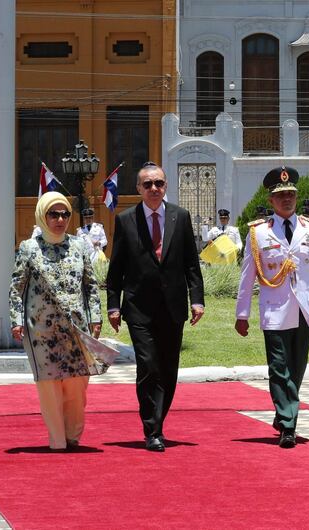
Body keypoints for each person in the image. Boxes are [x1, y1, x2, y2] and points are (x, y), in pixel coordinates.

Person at [235, 167, 309, 448]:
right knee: (279, 368)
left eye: (291, 195)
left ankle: (284, 414)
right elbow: (248, 276)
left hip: (303, 310)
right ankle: (288, 423)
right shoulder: (259, 234)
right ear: (271, 200)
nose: (287, 200)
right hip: (275, 311)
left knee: (297, 369)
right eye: (281, 196)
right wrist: (241, 314)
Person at [106, 162, 205, 452]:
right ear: (138, 188)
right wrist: (113, 305)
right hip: (138, 307)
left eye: (158, 183)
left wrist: (196, 298)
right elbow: (117, 268)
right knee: (148, 365)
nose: (153, 189)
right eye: (147, 184)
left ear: (166, 187)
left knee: (168, 369)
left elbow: (191, 263)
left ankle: (158, 424)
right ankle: (151, 428)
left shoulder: (180, 217)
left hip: (172, 307)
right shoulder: (126, 220)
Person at [9, 192, 102, 451]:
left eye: (64, 214)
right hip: (41, 331)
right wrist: (16, 320)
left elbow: (90, 286)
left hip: (75, 328)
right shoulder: (29, 248)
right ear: (42, 215)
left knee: (77, 384)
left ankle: (73, 435)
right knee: (49, 386)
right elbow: (17, 288)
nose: (60, 219)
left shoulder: (79, 246)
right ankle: (57, 440)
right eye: (53, 214)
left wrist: (96, 317)